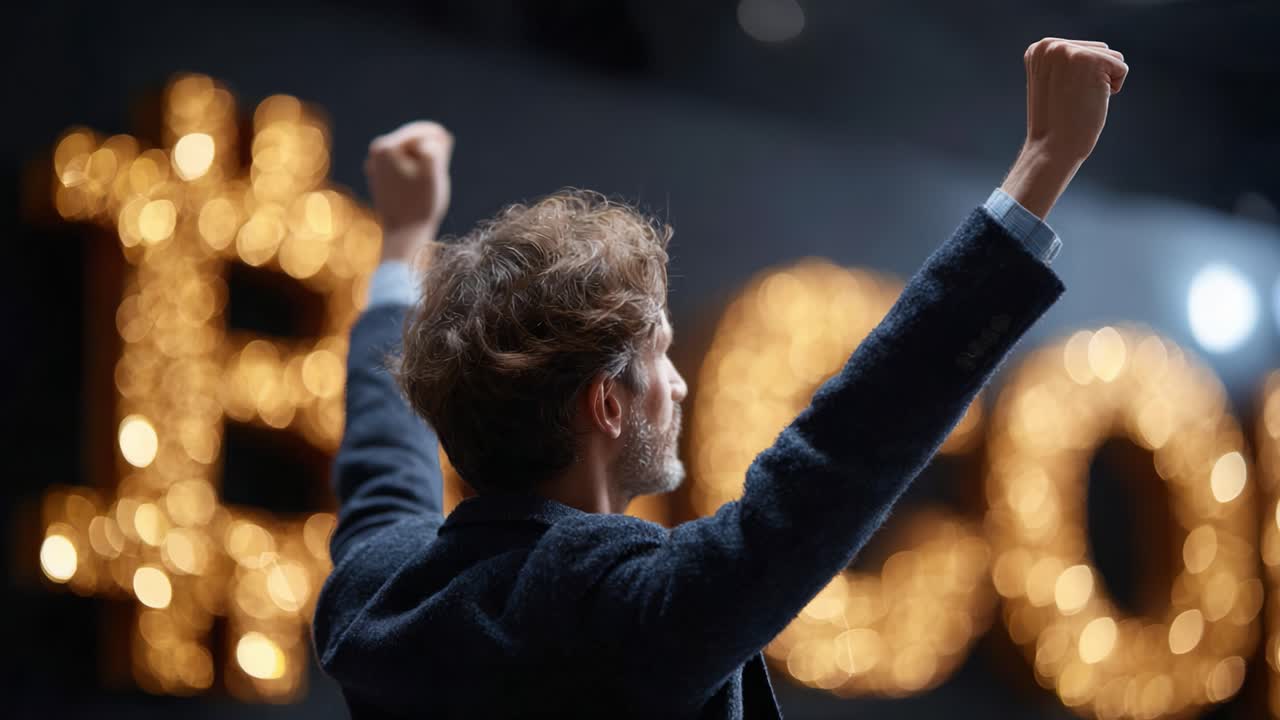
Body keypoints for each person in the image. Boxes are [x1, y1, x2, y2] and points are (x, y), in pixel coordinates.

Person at [313, 38, 1128, 718]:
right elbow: (844, 451)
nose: (680, 384)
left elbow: (385, 455)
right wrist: (1043, 163)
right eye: (661, 355)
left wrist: (403, 242)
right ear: (605, 403)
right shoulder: (622, 617)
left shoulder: (379, 594)